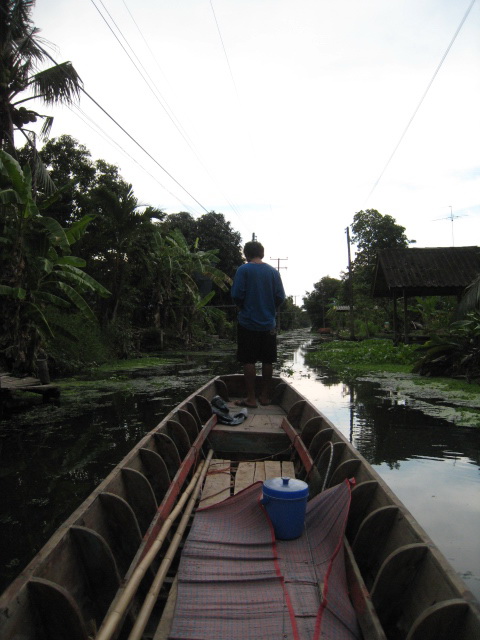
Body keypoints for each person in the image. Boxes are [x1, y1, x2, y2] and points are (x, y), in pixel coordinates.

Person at [231, 241, 286, 407]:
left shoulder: (243, 270)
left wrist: (244, 307)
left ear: (246, 254)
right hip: (268, 324)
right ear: (261, 253)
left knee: (248, 360)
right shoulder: (273, 272)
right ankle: (264, 397)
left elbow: (236, 295)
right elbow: (280, 297)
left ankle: (251, 398)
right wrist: (268, 309)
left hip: (247, 323)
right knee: (267, 360)